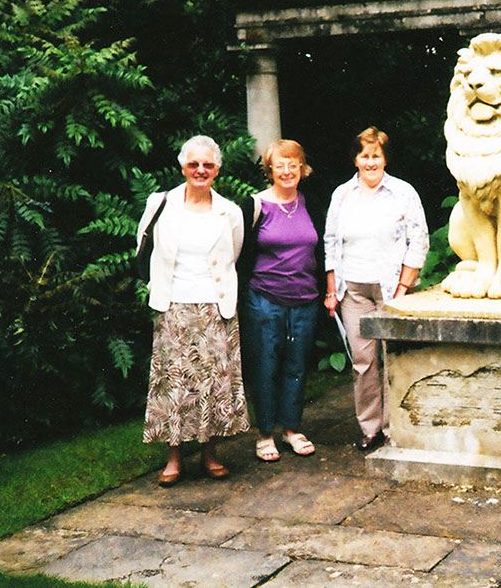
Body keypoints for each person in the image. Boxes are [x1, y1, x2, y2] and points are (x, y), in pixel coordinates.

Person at [136, 135, 249, 486]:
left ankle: (210, 454)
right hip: (174, 306)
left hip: (216, 307)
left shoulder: (229, 210)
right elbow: (143, 245)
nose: (201, 170)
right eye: (194, 164)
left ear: (217, 169)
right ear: (182, 166)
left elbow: (236, 251)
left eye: (208, 164)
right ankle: (173, 458)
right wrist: (156, 287)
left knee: (212, 384)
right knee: (174, 384)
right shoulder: (161, 203)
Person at [324, 127, 429, 452]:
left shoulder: (403, 193)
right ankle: (371, 429)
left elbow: (419, 241)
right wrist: (331, 289)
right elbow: (331, 242)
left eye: (376, 155)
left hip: (391, 288)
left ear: (385, 158)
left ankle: (396, 427)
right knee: (363, 361)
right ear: (356, 158)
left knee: (394, 358)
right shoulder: (342, 195)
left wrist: (402, 287)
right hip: (353, 289)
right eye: (364, 155)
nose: (370, 162)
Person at [238, 140, 324, 463]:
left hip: (305, 299)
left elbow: (322, 249)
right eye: (280, 165)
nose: (287, 171)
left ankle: (291, 428)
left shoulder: (311, 203)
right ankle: (264, 433)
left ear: (302, 169)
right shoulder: (254, 205)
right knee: (265, 365)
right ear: (270, 169)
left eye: (293, 165)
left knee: (297, 365)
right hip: (264, 300)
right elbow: (239, 253)